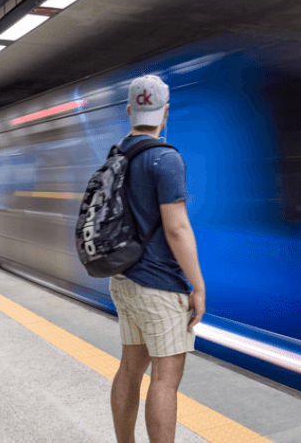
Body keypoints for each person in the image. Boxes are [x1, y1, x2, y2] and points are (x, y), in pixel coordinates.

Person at [109, 75, 206, 443]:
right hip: (160, 287)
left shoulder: (118, 154)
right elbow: (177, 228)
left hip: (124, 280)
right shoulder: (165, 158)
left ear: (130, 110)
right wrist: (197, 286)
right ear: (165, 112)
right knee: (165, 380)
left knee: (130, 369)